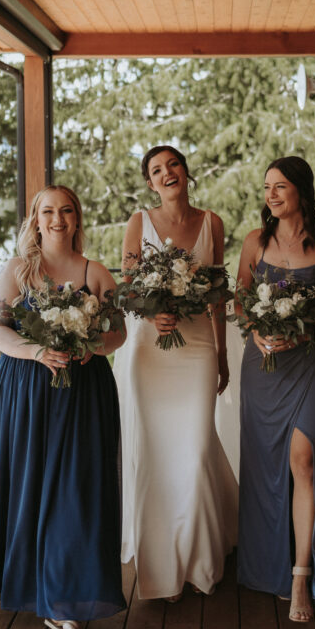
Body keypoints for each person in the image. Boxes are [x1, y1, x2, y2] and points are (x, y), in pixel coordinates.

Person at [0, 186, 127, 629]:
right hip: (26, 392)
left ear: (77, 218)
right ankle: (25, 583)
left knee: (75, 492)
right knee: (26, 485)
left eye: (66, 210)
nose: (58, 219)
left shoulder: (95, 272)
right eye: (48, 211)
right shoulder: (17, 270)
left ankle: (64, 601)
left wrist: (91, 345)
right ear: (35, 218)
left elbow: (119, 333)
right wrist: (36, 350)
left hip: (83, 395)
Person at [113, 145, 237, 601]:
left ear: (186, 172)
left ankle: (199, 557)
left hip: (198, 347)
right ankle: (160, 560)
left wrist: (222, 353)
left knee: (196, 446)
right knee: (157, 451)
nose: (167, 174)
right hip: (150, 350)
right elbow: (127, 288)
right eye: (157, 170)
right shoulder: (138, 223)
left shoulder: (212, 223)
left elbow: (218, 295)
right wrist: (150, 316)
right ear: (150, 182)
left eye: (173, 166)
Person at [236, 156, 315, 622]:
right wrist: (257, 332)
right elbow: (242, 304)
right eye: (267, 187)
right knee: (266, 465)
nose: (272, 195)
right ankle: (269, 564)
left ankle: (302, 575)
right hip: (262, 366)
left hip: (310, 363)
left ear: (301, 190)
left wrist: (307, 333)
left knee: (303, 460)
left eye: (281, 186)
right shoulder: (253, 243)